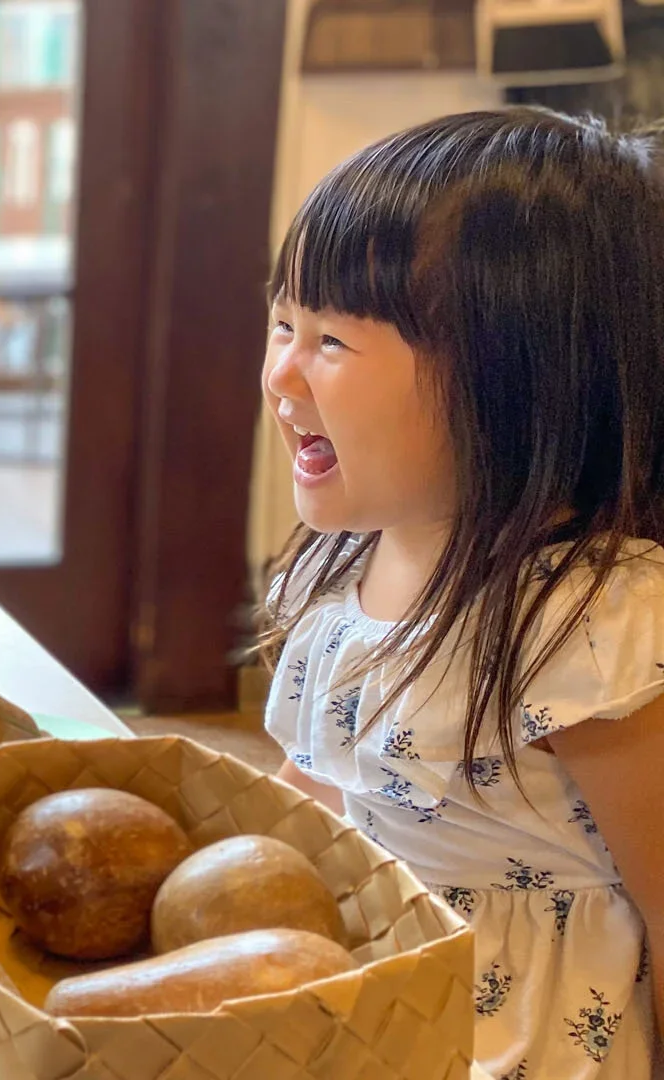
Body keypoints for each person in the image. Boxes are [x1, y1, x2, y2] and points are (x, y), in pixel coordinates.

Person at [263, 107, 664, 1079]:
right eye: (281, 324)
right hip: (371, 1015)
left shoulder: (588, 621)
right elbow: (313, 805)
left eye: (330, 341)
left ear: (509, 377)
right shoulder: (339, 576)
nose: (280, 373)